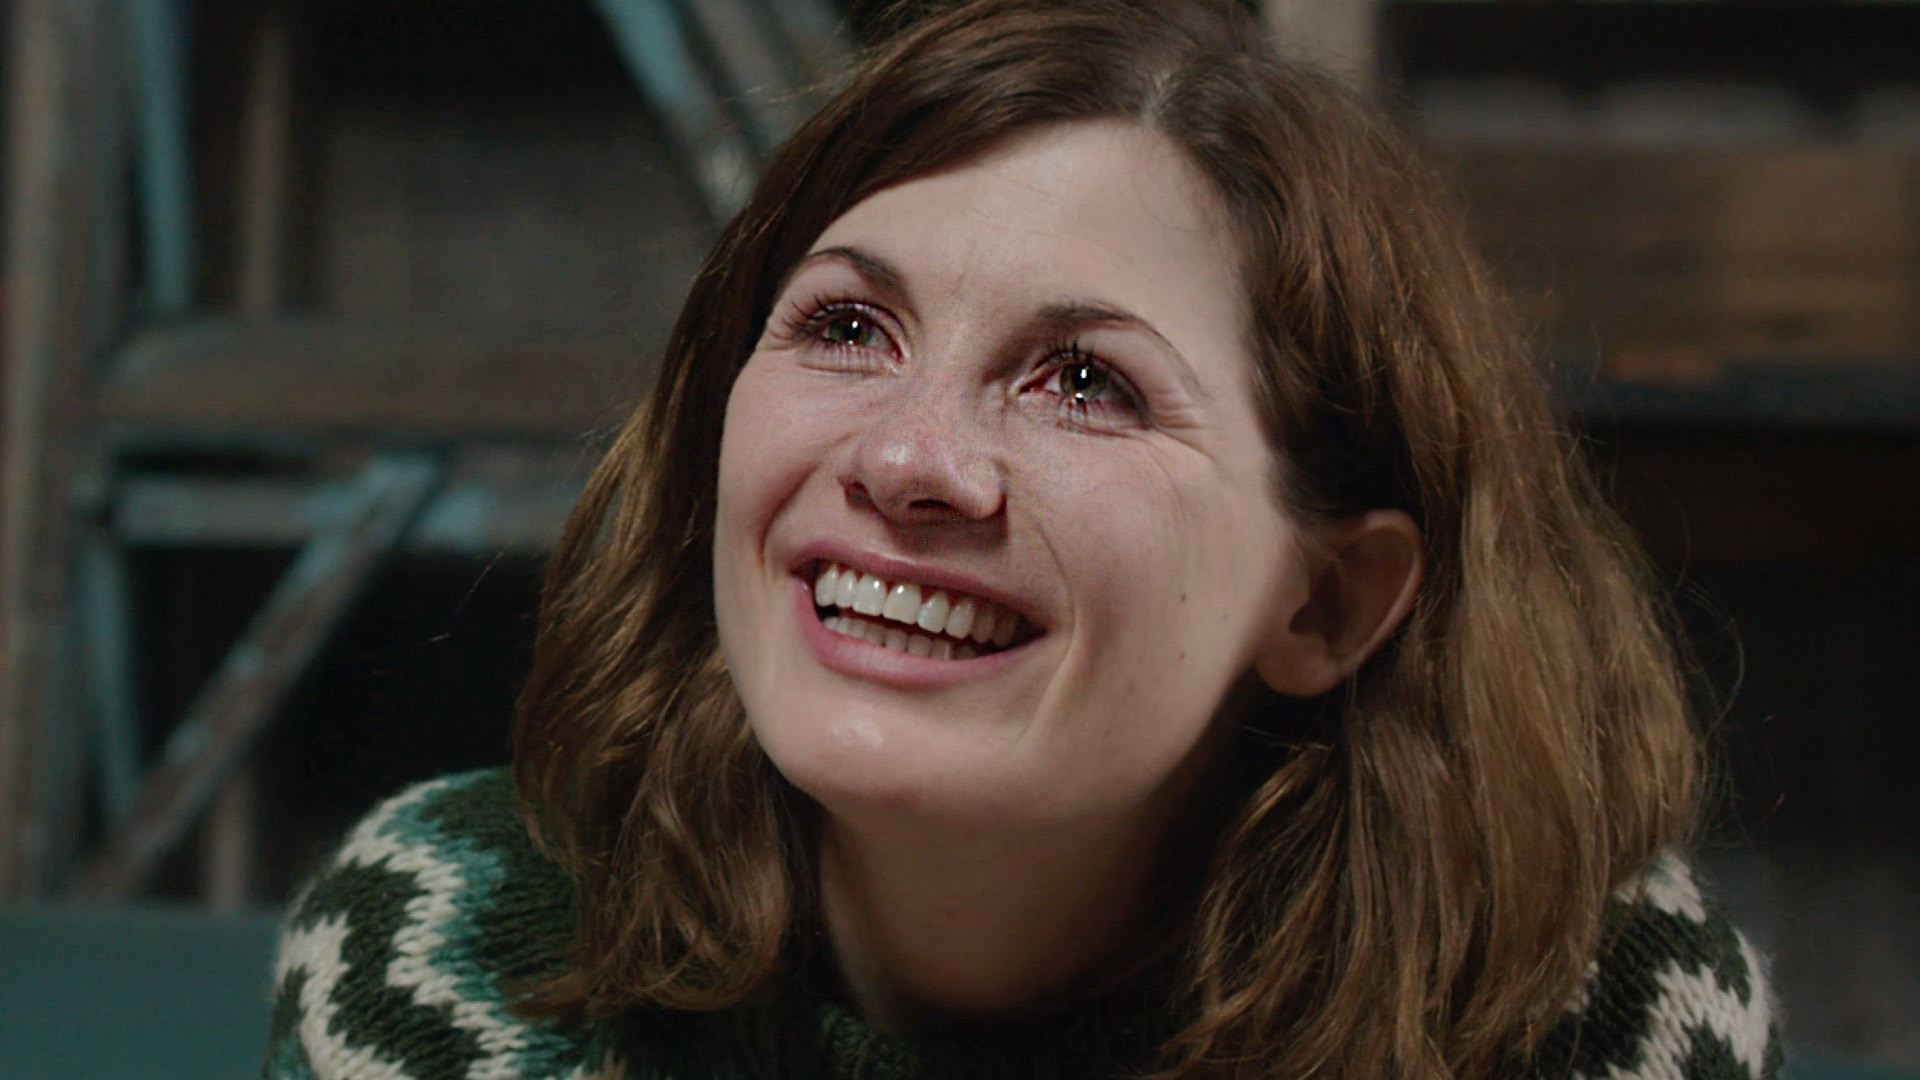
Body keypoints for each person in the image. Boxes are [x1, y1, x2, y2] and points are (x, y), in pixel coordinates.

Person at [264, 1, 1781, 1076]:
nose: (908, 460)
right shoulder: (452, 958)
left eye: (1086, 383)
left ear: (1328, 600)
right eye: (846, 326)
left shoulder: (1583, 1016)